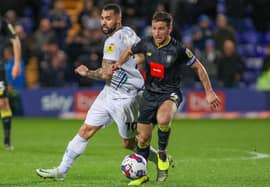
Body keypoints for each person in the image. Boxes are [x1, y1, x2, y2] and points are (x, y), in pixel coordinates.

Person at [36, 3, 160, 182]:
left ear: (118, 20)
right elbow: (141, 53)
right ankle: (61, 171)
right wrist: (136, 62)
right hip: (109, 93)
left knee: (129, 143)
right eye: (102, 18)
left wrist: (87, 72)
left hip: (126, 99)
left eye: (108, 19)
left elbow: (105, 73)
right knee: (85, 130)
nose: (103, 22)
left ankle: (160, 158)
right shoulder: (129, 31)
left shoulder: (112, 42)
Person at [112, 11, 220, 185]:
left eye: (161, 29)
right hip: (149, 93)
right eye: (154, 28)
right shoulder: (146, 43)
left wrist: (209, 92)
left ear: (170, 28)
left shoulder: (179, 49)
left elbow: (199, 68)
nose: (157, 32)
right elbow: (129, 50)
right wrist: (118, 64)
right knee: (143, 139)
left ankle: (162, 154)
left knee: (163, 119)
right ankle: (142, 175)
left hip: (170, 93)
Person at [0, 17, 21, 150]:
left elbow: (16, 40)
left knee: (2, 103)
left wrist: (16, 64)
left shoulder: (3, 22)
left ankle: (7, 140)